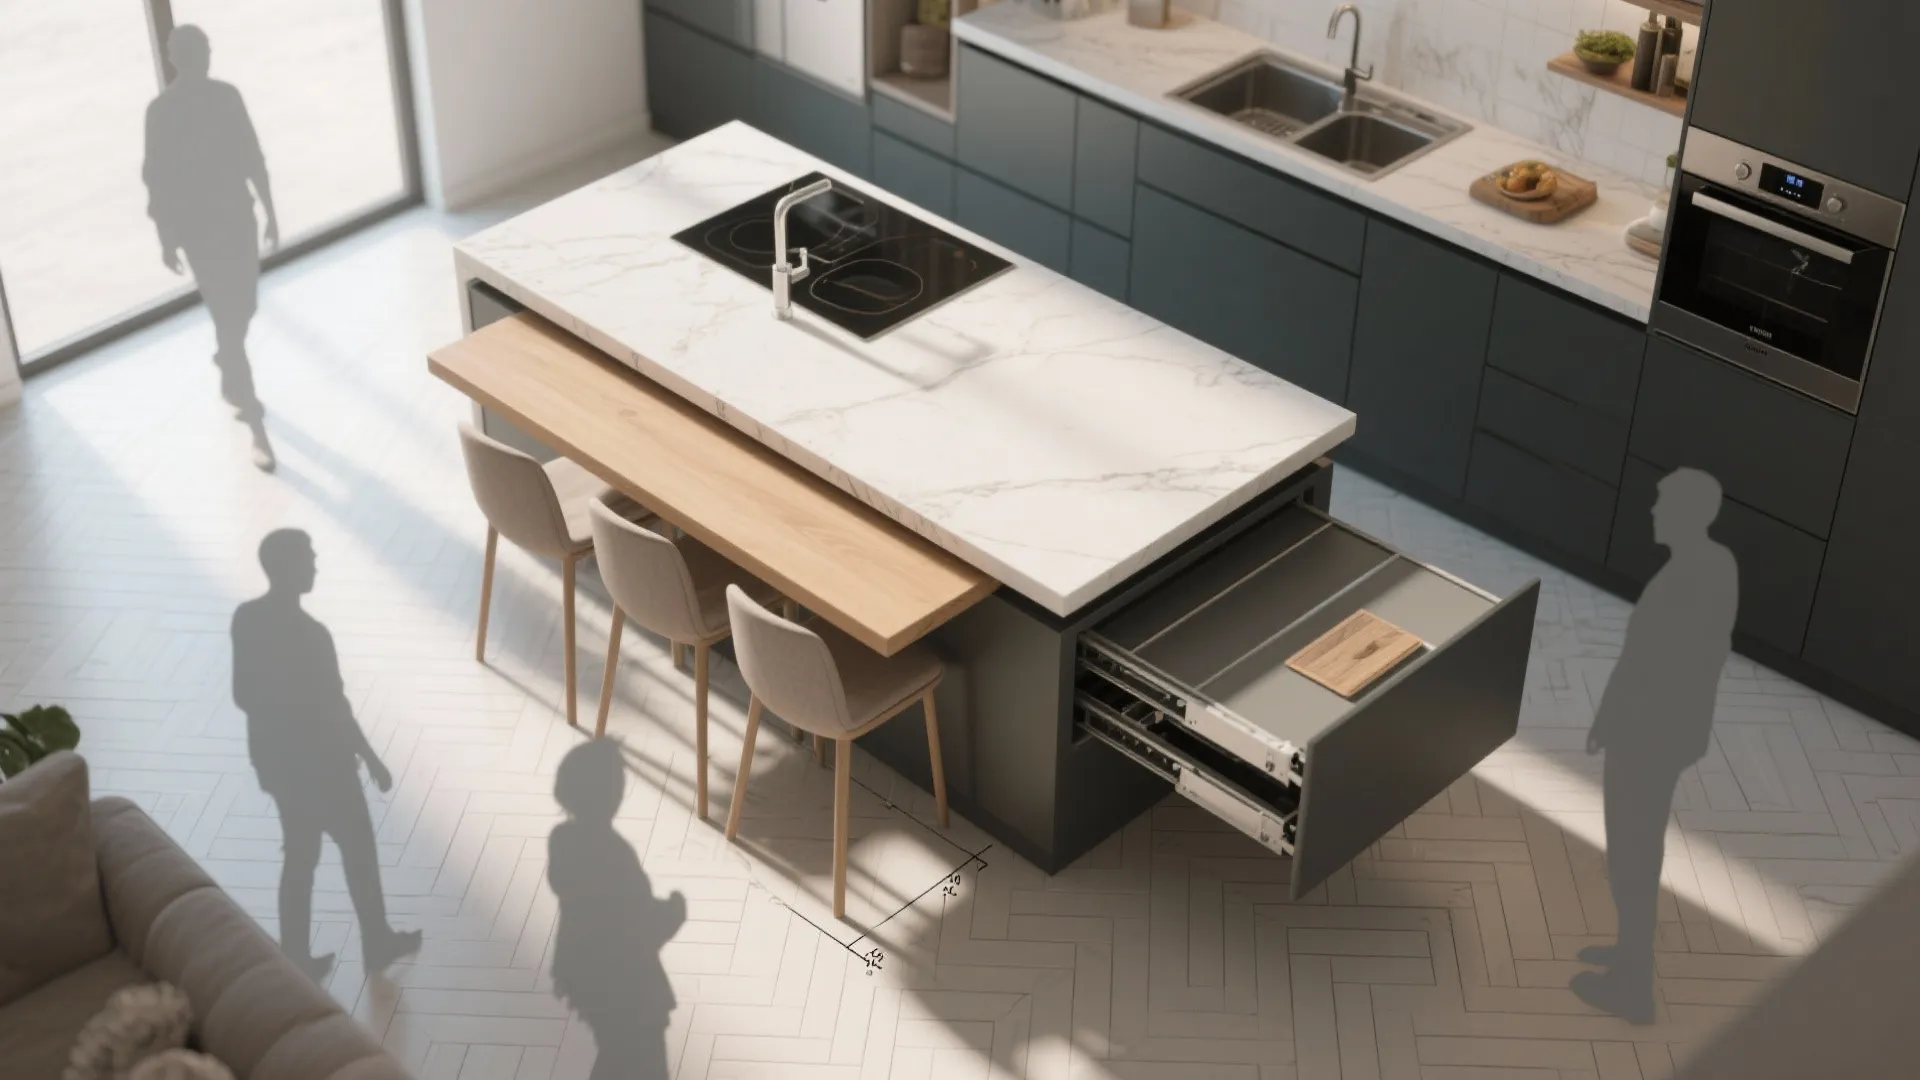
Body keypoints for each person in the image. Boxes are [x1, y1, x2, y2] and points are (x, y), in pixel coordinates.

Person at [1573, 467, 1739, 1024]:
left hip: (1647, 739)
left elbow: (1653, 666)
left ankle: (1631, 988)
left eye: (1663, 503)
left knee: (1632, 855)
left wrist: (1617, 723)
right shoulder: (1715, 564)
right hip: (1662, 733)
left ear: (1687, 513)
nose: (1653, 510)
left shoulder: (1687, 579)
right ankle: (1629, 952)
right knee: (1639, 850)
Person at [233, 529, 420, 981]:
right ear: (288, 567)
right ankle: (375, 942)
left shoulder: (248, 619)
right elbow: (336, 705)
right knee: (357, 852)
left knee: (301, 856)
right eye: (309, 559)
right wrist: (370, 757)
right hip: (326, 766)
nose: (315, 566)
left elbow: (244, 695)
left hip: (279, 766)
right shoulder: (313, 635)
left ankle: (295, 956)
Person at [143, 23, 279, 471]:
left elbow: (253, 154)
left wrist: (271, 212)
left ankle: (227, 361)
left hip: (239, 219)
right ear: (179, 59)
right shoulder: (161, 111)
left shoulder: (226, 96)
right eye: (198, 51)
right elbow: (156, 179)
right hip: (199, 231)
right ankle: (253, 416)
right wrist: (167, 239)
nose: (205, 58)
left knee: (244, 306)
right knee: (226, 314)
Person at [549, 739, 686, 1079]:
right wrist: (673, 911)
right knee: (642, 1062)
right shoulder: (613, 853)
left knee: (617, 1053)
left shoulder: (562, 840)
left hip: (588, 977)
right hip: (629, 986)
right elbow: (638, 925)